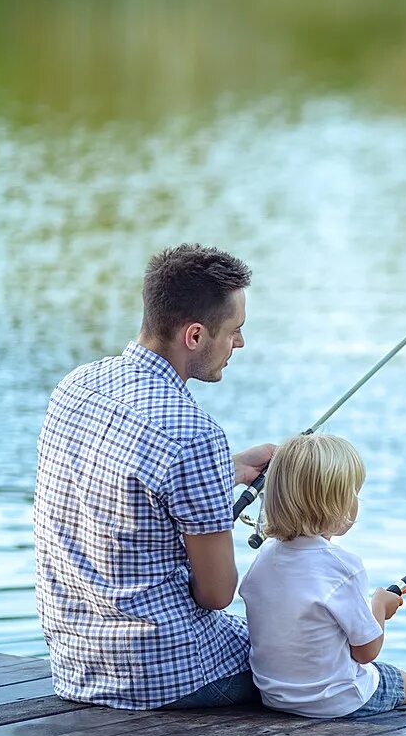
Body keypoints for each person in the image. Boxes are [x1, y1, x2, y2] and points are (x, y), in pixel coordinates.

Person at [33, 243, 274, 710]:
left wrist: (233, 468)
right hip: (164, 674)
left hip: (75, 664)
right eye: (235, 331)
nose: (240, 344)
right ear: (196, 335)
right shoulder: (193, 434)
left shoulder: (76, 386)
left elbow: (124, 489)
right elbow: (217, 593)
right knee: (321, 660)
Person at [238, 433, 406, 718]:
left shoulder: (265, 557)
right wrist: (379, 605)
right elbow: (366, 652)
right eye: (353, 493)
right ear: (334, 505)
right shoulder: (344, 567)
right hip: (336, 700)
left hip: (274, 696)